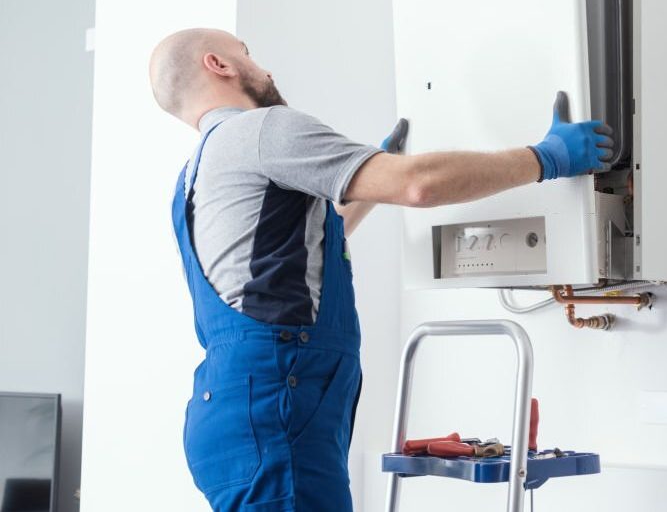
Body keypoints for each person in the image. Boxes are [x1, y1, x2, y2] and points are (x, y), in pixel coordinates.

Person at [148, 27, 614, 511]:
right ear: (218, 65)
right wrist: (546, 159)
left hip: (230, 413)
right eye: (246, 53)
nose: (264, 68)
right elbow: (418, 187)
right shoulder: (263, 129)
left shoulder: (193, 178)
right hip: (275, 406)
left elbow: (297, 252)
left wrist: (366, 182)